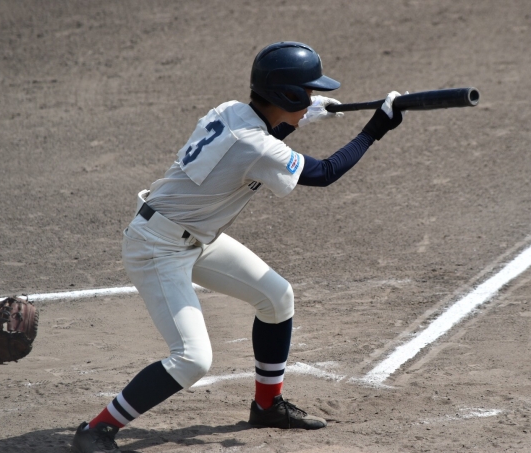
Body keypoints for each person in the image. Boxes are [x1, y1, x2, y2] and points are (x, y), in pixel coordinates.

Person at [71, 41, 404, 453]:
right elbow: (324, 173)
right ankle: (96, 430)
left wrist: (298, 119)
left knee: (276, 297)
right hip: (158, 247)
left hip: (194, 237)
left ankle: (267, 406)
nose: (312, 98)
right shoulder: (258, 146)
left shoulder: (231, 111)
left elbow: (257, 142)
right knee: (192, 359)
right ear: (287, 95)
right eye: (307, 93)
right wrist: (375, 129)